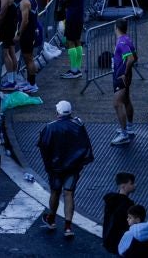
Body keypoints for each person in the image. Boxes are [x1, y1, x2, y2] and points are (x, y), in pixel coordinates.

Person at [37, 100, 94, 239]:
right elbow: (86, 146)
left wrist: (49, 166)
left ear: (57, 112)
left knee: (55, 192)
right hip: (73, 167)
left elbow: (43, 147)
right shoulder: (78, 125)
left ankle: (51, 219)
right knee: (69, 194)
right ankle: (68, 226)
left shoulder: (49, 128)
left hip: (56, 168)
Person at [110, 18, 137, 145]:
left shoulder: (121, 42)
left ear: (116, 28)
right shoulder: (127, 39)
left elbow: (131, 58)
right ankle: (129, 128)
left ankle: (124, 134)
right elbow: (135, 56)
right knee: (126, 100)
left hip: (120, 76)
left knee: (117, 104)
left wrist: (125, 73)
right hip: (124, 76)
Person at [101, 172, 136, 255]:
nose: (135, 185)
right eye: (131, 183)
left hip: (110, 238)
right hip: (122, 239)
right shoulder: (127, 205)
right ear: (123, 186)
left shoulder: (111, 201)